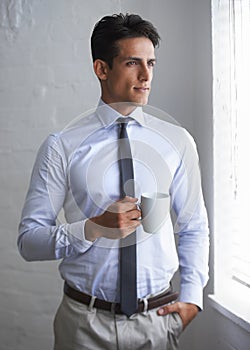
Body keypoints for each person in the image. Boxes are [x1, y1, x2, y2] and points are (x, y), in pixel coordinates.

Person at [18, 13, 209, 350]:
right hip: (83, 326)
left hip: (157, 322)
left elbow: (194, 226)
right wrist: (92, 228)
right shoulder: (61, 146)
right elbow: (30, 241)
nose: (146, 75)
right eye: (133, 63)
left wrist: (192, 300)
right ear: (101, 69)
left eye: (151, 63)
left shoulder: (177, 141)